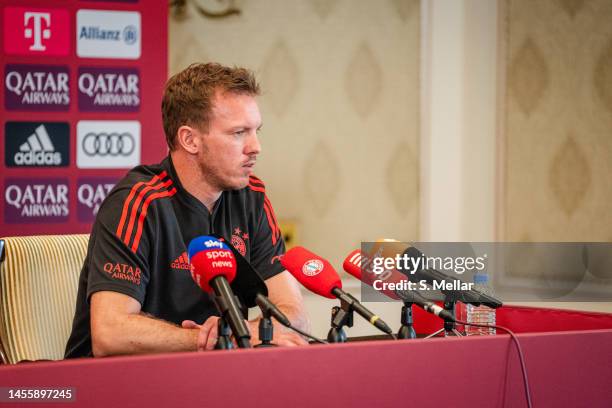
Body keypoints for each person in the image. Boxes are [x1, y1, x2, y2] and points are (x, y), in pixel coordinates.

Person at [65, 63, 309, 358]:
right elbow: (110, 333)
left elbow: (293, 313)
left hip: (213, 379)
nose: (255, 147)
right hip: (116, 385)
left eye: (256, 131)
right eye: (238, 133)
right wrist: (212, 339)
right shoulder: (137, 201)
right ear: (190, 140)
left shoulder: (251, 196)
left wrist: (252, 330)